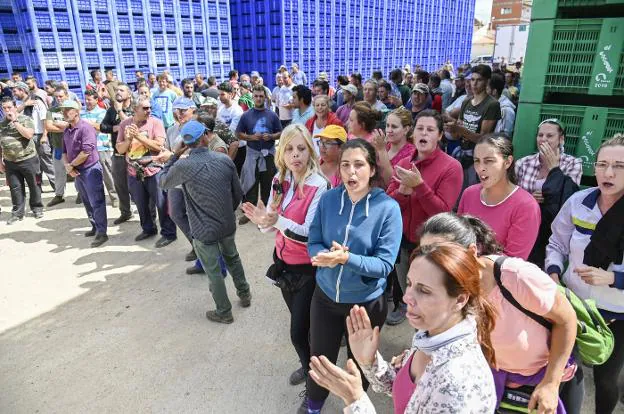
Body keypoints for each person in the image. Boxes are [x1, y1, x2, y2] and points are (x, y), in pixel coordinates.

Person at [419, 212, 579, 414]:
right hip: (492, 377)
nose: (432, 264)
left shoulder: (516, 277)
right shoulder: (443, 287)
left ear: (471, 251)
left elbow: (567, 320)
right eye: (426, 254)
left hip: (542, 378)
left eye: (443, 254)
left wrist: (551, 383)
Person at [309, 243, 498, 413]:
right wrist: (370, 361)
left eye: (424, 290)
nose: (407, 297)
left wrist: (356, 401)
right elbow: (405, 391)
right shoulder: (431, 335)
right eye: (409, 284)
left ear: (459, 300)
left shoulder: (459, 384)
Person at [300, 138, 402, 414]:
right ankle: (313, 406)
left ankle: (356, 406)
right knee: (320, 360)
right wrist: (323, 257)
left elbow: (384, 265)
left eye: (358, 165)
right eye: (345, 165)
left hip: (364, 305)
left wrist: (346, 259)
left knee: (358, 366)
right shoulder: (329, 199)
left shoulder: (388, 208)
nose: (350, 172)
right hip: (324, 297)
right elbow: (314, 241)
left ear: (372, 169)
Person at [241, 124, 329, 386]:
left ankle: (316, 380)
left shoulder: (319, 185)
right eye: (289, 149)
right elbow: (269, 223)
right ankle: (310, 367)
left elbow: (308, 235)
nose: (295, 155)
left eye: (301, 148)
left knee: (298, 333)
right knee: (301, 326)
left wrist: (275, 221)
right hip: (283, 265)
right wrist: (262, 221)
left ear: (310, 151)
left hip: (307, 270)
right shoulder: (281, 179)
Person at [546, 134, 624, 414]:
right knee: (569, 372)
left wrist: (614, 279)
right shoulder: (579, 203)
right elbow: (556, 243)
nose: (609, 172)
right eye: (602, 164)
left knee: (605, 380)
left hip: (617, 315)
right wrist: (553, 274)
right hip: (575, 306)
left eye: (620, 166)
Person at [160, 120, 251, 324]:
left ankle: (224, 311)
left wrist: (174, 155)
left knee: (213, 271)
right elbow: (237, 193)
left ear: (185, 142)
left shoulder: (183, 166)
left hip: (203, 228)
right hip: (226, 222)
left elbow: (163, 181)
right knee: (233, 258)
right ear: (205, 136)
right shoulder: (224, 160)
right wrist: (228, 211)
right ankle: (244, 294)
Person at [384, 110, 463, 325]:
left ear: (439, 136)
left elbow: (442, 212)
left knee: (429, 305)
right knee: (410, 297)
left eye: (430, 130)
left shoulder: (451, 167)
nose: (424, 134)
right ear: (413, 133)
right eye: (420, 128)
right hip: (403, 243)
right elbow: (388, 203)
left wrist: (419, 187)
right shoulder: (405, 163)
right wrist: (402, 192)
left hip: (431, 250)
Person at [458, 134, 540, 260]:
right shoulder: (469, 193)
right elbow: (457, 238)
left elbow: (512, 261)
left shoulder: (526, 206)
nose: (481, 168)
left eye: (489, 161)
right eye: (477, 161)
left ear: (507, 162)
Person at [516, 119, 582, 268]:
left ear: (561, 139)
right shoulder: (523, 163)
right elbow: (513, 195)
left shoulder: (573, 164)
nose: (543, 139)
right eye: (540, 135)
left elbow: (569, 199)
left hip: (552, 227)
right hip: (526, 222)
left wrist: (554, 168)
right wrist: (529, 198)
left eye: (550, 135)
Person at [116, 98, 177, 247]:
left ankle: (169, 233)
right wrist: (129, 139)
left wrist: (138, 136)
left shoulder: (155, 123)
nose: (148, 110)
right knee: (141, 204)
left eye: (149, 107)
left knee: (162, 204)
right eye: (144, 108)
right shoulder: (125, 124)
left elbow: (158, 145)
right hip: (134, 172)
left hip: (154, 170)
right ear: (135, 109)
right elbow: (120, 149)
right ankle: (148, 229)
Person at [57, 100, 108, 247]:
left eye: (68, 110)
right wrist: (68, 166)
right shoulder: (67, 129)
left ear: (76, 111)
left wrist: (70, 166)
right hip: (77, 170)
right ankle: (95, 226)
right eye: (63, 110)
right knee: (86, 201)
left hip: (90, 169)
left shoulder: (86, 128)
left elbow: (86, 152)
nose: (65, 113)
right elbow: (65, 150)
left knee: (96, 201)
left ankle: (102, 232)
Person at [444, 64, 501, 189]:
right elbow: (458, 132)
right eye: (472, 80)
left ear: (487, 82)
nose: (474, 84)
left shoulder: (492, 104)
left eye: (479, 80)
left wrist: (459, 129)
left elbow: (483, 138)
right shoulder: (466, 102)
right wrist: (451, 129)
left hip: (479, 157)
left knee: (473, 192)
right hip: (462, 153)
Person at [236, 85, 283, 225]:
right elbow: (238, 133)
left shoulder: (272, 115)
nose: (258, 98)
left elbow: (280, 132)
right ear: (252, 97)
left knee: (268, 185)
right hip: (252, 156)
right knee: (250, 185)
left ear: (265, 97)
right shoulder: (246, 115)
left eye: (261, 96)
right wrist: (251, 137)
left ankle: (267, 215)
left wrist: (272, 136)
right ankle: (249, 214)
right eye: (256, 96)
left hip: (268, 156)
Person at [0, 97, 43, 224]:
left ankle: (37, 208)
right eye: (4, 108)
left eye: (9, 107)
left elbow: (29, 135)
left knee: (34, 185)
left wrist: (15, 121)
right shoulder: (1, 125)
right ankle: (17, 213)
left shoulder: (25, 119)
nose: (7, 110)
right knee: (15, 188)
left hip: (28, 159)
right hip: (10, 162)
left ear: (15, 106)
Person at [100, 83, 135, 224]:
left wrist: (120, 112)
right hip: (119, 154)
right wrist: (115, 128)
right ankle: (125, 212)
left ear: (129, 94)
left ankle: (147, 215)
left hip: (136, 154)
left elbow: (133, 125)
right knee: (120, 185)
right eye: (116, 90)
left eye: (121, 90)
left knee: (139, 186)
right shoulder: (111, 110)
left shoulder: (135, 108)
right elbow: (103, 126)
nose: (118, 92)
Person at [13, 82, 54, 192]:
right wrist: (25, 105)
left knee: (47, 163)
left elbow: (45, 119)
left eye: (15, 91)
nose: (14, 94)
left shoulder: (37, 101)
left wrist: (45, 135)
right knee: (33, 166)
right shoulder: (22, 103)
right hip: (28, 137)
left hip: (39, 135)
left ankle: (58, 189)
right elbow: (13, 114)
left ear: (22, 90)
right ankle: (37, 189)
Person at [82, 89, 117, 207]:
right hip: (87, 149)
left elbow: (98, 127)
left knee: (108, 175)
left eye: (89, 99)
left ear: (96, 100)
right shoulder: (82, 113)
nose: (87, 102)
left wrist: (83, 124)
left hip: (102, 147)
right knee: (90, 175)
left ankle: (115, 198)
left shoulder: (103, 112)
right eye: (85, 99)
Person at [370, 107, 415, 187]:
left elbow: (391, 183)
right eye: (387, 126)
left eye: (394, 127)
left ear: (406, 129)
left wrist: (381, 150)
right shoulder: (385, 145)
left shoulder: (411, 153)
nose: (389, 130)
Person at [44, 86, 70, 207]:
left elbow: (76, 126)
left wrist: (59, 125)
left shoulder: (73, 109)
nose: (59, 99)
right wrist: (66, 127)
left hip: (73, 147)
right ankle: (59, 195)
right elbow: (48, 127)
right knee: (59, 172)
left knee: (79, 170)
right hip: (59, 147)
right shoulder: (51, 111)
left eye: (61, 96)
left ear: (66, 96)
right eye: (57, 96)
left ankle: (82, 193)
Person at [217, 82, 245, 174]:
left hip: (239, 150)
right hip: (226, 147)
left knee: (238, 176)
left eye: (222, 94)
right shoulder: (221, 109)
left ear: (231, 94)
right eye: (219, 94)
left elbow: (232, 132)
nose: (220, 97)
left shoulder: (237, 110)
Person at [487, 73, 516, 138]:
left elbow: (503, 138)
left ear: (494, 91)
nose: (483, 92)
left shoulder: (505, 110)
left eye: (486, 89)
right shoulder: (490, 105)